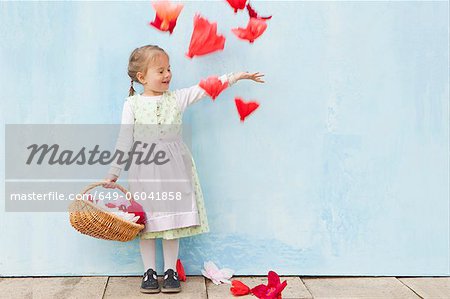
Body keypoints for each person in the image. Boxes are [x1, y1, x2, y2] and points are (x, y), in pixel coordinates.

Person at [103, 44, 264, 294]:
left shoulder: (176, 98)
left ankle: (169, 271)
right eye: (160, 71)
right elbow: (124, 140)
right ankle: (148, 272)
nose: (167, 74)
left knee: (172, 222)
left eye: (169, 69)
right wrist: (113, 173)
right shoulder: (132, 104)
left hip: (173, 171)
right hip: (144, 171)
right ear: (142, 77)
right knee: (145, 223)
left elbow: (205, 88)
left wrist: (235, 76)